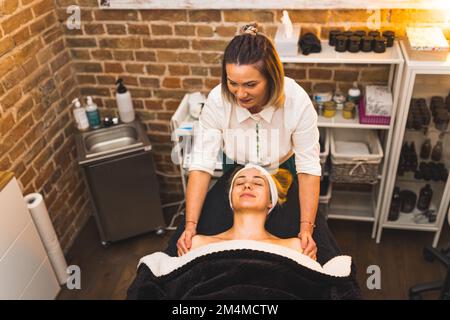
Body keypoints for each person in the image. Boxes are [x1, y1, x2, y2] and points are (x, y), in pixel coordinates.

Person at [167, 22, 334, 264]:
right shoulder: (218, 100)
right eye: (232, 83)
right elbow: (201, 164)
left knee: (311, 247)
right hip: (236, 172)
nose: (239, 94)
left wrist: (307, 228)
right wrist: (190, 225)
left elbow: (308, 167)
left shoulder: (296, 100)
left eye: (250, 85)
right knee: (188, 240)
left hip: (284, 171)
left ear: (272, 78)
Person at [189, 164, 304, 255]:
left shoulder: (294, 247)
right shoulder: (197, 244)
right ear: (231, 200)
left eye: (258, 183)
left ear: (270, 202)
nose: (247, 186)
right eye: (239, 183)